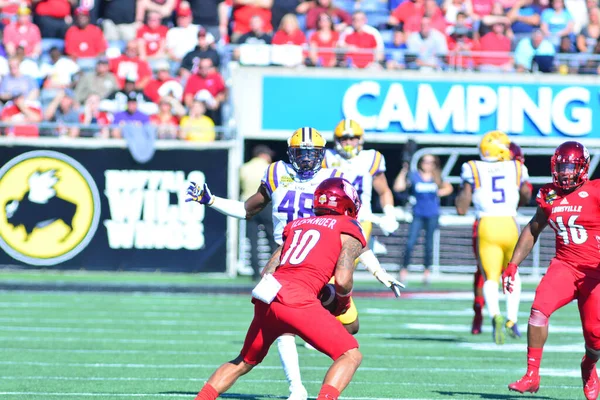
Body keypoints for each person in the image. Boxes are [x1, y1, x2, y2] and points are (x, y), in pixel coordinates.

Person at [186, 127, 402, 400]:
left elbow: (346, 244)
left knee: (252, 356)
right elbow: (247, 209)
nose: (307, 160)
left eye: (313, 154)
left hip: (287, 263)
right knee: (347, 351)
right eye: (301, 153)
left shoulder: (324, 192)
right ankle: (296, 388)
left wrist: (377, 270)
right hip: (296, 262)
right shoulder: (280, 175)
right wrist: (211, 200)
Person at [191, 177, 374, 400]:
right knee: (350, 355)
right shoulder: (349, 226)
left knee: (243, 362)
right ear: (347, 203)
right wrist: (341, 302)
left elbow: (267, 271)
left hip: (268, 294)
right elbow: (343, 280)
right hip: (297, 298)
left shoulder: (296, 225)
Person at [505, 141, 600, 400]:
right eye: (562, 166)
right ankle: (532, 374)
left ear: (584, 167)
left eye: (571, 166)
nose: (566, 172)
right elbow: (534, 227)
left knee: (596, 339)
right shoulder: (549, 193)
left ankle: (589, 366)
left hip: (596, 273)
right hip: (565, 265)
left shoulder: (597, 190)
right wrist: (513, 264)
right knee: (538, 309)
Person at [455, 131, 532, 345]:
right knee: (512, 273)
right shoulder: (516, 167)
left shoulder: (472, 167)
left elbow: (462, 206)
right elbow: (526, 194)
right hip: (509, 222)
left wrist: (464, 193)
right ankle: (512, 319)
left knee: (490, 277)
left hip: (487, 225)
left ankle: (494, 314)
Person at [323, 119, 399, 242]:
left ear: (360, 139)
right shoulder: (327, 158)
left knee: (352, 258)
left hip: (361, 219)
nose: (348, 142)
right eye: (344, 138)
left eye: (352, 138)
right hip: (332, 218)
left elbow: (384, 191)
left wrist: (390, 215)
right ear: (337, 140)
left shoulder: (370, 157)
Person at [394, 154, 453, 285]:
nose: (428, 165)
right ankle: (403, 271)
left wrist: (440, 193)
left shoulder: (437, 177)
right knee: (410, 243)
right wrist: (404, 170)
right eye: (425, 162)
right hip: (418, 214)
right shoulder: (414, 176)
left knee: (429, 245)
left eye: (431, 162)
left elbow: (449, 188)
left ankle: (426, 272)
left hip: (432, 214)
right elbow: (398, 187)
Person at [240, 145, 278, 281]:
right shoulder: (270, 168)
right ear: (264, 155)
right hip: (266, 205)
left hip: (249, 206)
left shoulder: (244, 168)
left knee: (253, 241)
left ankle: (255, 273)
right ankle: (274, 270)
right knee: (273, 240)